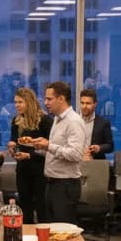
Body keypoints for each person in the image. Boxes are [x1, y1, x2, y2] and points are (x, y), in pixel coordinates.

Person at [32, 82, 85, 224]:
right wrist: (40, 147)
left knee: (63, 234)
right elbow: (57, 152)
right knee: (52, 231)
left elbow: (76, 154)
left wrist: (49, 146)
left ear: (61, 99)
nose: (45, 103)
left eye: (49, 99)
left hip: (65, 185)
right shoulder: (57, 118)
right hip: (52, 183)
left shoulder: (73, 121)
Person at [7, 87, 52, 224]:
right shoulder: (16, 120)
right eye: (15, 102)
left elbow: (50, 149)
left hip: (40, 170)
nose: (17, 105)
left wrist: (29, 155)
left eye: (20, 102)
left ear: (29, 102)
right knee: (24, 208)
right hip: (23, 169)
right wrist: (12, 146)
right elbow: (15, 141)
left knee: (41, 207)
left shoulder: (45, 120)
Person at [78, 88, 114, 160]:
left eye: (88, 103)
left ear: (95, 104)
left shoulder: (103, 123)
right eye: (82, 103)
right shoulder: (74, 121)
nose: (84, 106)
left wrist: (99, 148)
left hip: (95, 163)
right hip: (75, 163)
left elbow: (110, 146)